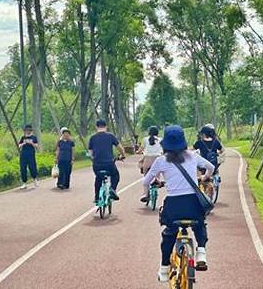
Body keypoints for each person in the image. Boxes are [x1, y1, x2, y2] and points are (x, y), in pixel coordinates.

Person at [142, 125, 214, 281]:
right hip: (193, 204)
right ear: (183, 141)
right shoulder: (193, 156)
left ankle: (163, 269)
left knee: (169, 233)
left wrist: (157, 180)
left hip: (173, 206)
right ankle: (201, 252)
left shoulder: (162, 160)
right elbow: (211, 167)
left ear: (165, 143)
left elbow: (146, 181)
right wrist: (204, 177)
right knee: (199, 224)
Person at [88, 119, 126, 203]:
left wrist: (93, 159)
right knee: (115, 175)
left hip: (97, 164)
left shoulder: (92, 137)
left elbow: (90, 152)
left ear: (96, 127)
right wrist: (123, 155)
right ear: (106, 126)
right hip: (109, 163)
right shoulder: (110, 136)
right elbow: (119, 147)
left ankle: (97, 197)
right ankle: (112, 189)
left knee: (98, 178)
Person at [137, 126, 163, 202]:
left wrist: (137, 152)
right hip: (157, 160)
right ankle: (157, 180)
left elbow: (140, 150)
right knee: (157, 173)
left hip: (147, 160)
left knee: (145, 177)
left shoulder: (145, 139)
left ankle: (145, 193)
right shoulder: (160, 140)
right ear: (157, 133)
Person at [19, 124, 39, 189]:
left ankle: (35, 179)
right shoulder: (23, 137)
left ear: (31, 130)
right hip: (23, 155)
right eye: (26, 130)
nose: (28, 131)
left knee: (32, 167)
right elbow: (19, 146)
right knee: (23, 168)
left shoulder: (34, 137)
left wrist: (31, 143)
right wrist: (23, 143)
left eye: (29, 130)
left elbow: (37, 146)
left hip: (31, 155)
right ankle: (24, 183)